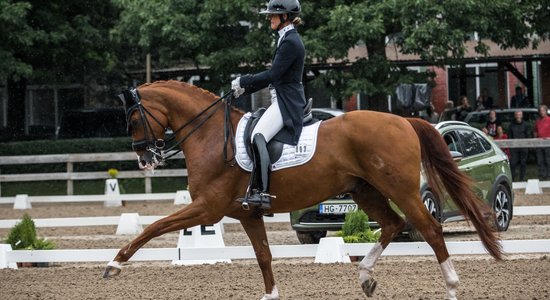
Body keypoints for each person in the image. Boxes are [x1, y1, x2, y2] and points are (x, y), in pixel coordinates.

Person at [231, 0, 305, 210]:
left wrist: (244, 80)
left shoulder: (290, 42)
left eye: (273, 15)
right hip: (281, 97)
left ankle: (262, 192)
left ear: (285, 17)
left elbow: (273, 75)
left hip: (287, 101)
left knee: (258, 136)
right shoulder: (286, 38)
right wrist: (245, 89)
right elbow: (275, 78)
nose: (269, 18)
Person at [508, 111, 530, 181]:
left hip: (523, 147)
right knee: (513, 163)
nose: (518, 116)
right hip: (514, 148)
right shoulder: (511, 125)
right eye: (517, 115)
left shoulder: (526, 125)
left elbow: (528, 135)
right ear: (515, 116)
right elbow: (509, 136)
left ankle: (522, 179)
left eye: (519, 114)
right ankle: (512, 179)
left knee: (523, 163)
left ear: (522, 116)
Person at [534, 105, 550, 180]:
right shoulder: (537, 121)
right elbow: (535, 131)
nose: (541, 112)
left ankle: (549, 175)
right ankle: (543, 175)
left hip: (548, 143)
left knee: (548, 159)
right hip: (539, 143)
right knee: (540, 160)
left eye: (543, 110)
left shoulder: (549, 119)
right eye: (540, 111)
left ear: (546, 111)